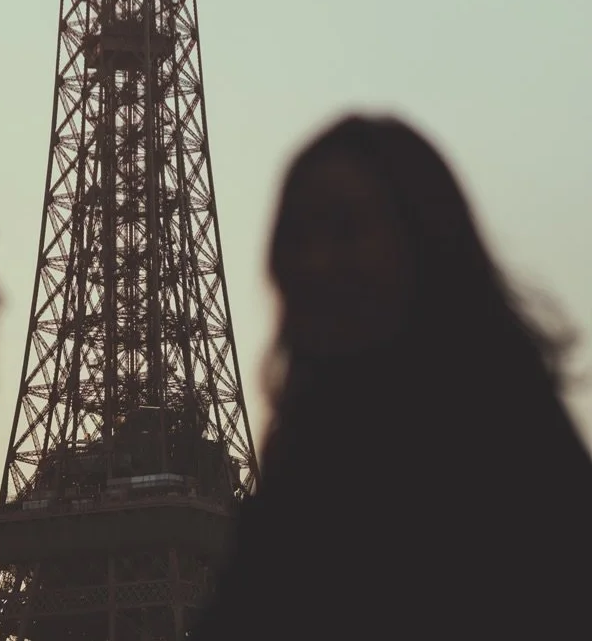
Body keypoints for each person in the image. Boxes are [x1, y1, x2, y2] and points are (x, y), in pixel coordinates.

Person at [194, 114, 592, 641]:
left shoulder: (513, 452)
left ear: (424, 243)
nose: (316, 261)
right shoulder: (303, 476)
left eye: (345, 230)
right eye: (296, 236)